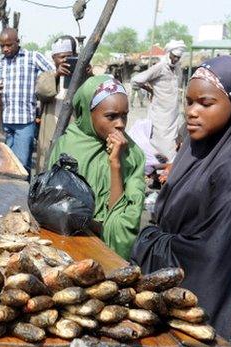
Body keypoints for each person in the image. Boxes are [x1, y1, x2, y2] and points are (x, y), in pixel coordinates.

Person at [131, 56, 231, 339]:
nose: (192, 112)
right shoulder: (195, 146)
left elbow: (210, 253)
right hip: (167, 290)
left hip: (201, 303)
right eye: (189, 102)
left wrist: (149, 241)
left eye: (205, 103)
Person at [48, 76, 145, 259]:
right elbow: (53, 204)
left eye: (124, 115)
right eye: (111, 116)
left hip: (106, 250)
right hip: (66, 244)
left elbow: (123, 222)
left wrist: (115, 163)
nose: (120, 124)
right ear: (87, 113)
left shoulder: (133, 155)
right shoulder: (67, 146)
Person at [0, 28, 54, 174]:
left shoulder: (32, 57)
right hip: (4, 121)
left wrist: (41, 85)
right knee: (3, 164)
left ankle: (21, 196)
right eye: (2, 46)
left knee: (21, 166)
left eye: (9, 45)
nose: (5, 49)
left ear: (18, 42)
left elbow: (53, 72)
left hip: (24, 122)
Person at [132, 39, 186, 162]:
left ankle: (168, 170)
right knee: (160, 145)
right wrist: (150, 91)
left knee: (173, 142)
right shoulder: (159, 67)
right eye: (174, 56)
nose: (176, 59)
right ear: (169, 53)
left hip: (173, 114)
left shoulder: (177, 68)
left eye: (178, 57)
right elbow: (136, 80)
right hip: (160, 115)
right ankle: (158, 172)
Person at [34, 35, 77, 174]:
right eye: (61, 57)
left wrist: (87, 75)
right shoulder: (47, 76)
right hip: (51, 132)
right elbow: (42, 91)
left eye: (68, 56)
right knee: (47, 167)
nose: (64, 60)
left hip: (72, 133)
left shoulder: (80, 76)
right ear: (54, 59)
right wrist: (57, 75)